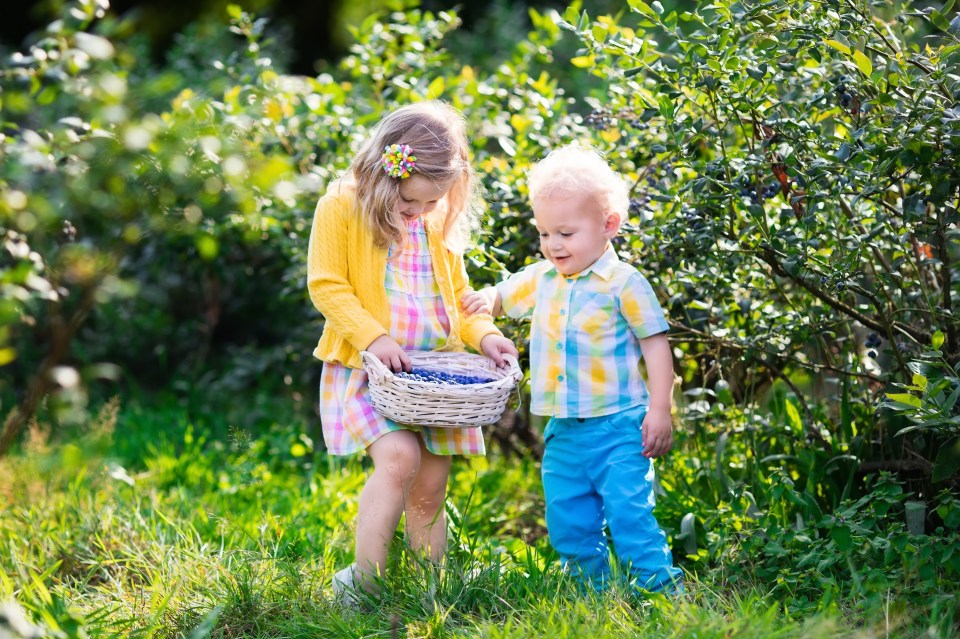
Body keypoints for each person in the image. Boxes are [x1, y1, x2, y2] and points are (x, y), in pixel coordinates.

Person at [306, 101, 518, 604]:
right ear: (385, 177)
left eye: (430, 204)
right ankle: (364, 583)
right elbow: (327, 285)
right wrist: (373, 337)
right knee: (399, 460)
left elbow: (462, 304)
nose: (419, 214)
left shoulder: (434, 220)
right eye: (410, 204)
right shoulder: (341, 204)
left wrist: (485, 334)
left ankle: (432, 587)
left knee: (430, 485)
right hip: (369, 367)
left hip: (434, 383)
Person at [461, 144, 683, 594]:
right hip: (564, 431)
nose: (552, 245)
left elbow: (656, 347)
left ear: (609, 226)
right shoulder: (544, 278)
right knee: (568, 519)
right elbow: (502, 294)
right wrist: (486, 300)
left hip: (621, 426)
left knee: (629, 514)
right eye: (544, 233)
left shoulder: (625, 284)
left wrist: (660, 409)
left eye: (565, 232)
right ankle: (592, 594)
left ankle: (659, 593)